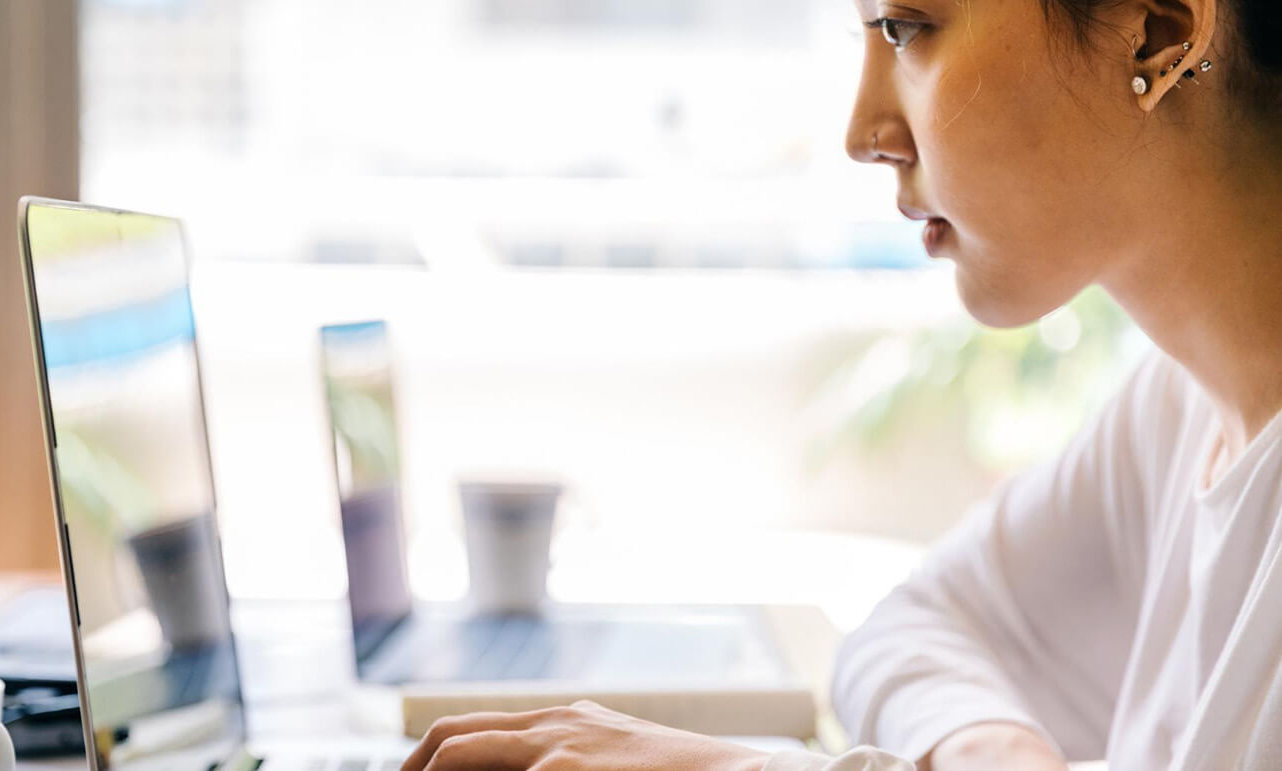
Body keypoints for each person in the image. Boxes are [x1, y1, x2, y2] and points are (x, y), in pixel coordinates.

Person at [402, 0, 1282, 767]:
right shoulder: (1175, 413)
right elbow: (913, 626)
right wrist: (986, 750)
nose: (863, 133)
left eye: (906, 28)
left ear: (1156, 34)